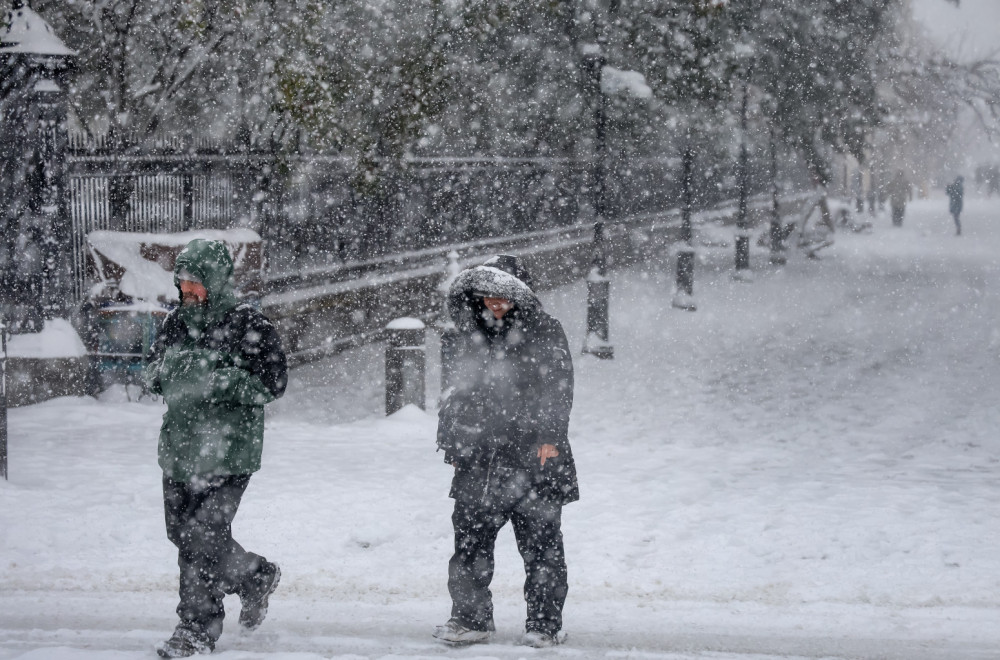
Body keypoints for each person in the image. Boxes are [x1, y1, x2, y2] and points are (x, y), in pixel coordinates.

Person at [145, 239, 287, 658]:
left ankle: (196, 628)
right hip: (180, 448)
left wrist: (216, 379)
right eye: (182, 283)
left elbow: (272, 384)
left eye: (195, 283)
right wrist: (165, 372)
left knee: (201, 535)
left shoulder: (249, 325)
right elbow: (151, 370)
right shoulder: (175, 322)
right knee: (182, 533)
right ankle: (254, 576)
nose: (187, 291)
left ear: (216, 281)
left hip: (229, 452)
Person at [433, 254, 577, 649]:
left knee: (542, 545)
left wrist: (548, 436)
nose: (495, 303)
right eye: (488, 295)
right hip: (479, 458)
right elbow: (452, 392)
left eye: (504, 295)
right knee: (469, 545)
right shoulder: (463, 334)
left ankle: (545, 624)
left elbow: (558, 387)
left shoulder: (545, 331)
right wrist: (453, 442)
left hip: (534, 456)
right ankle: (470, 618)